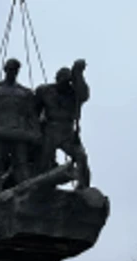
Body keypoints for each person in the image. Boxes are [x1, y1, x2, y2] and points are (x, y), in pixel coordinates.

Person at [0, 58, 40, 196]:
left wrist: (36, 132)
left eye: (15, 70)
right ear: (5, 70)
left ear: (17, 72)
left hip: (19, 133)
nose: (12, 72)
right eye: (9, 69)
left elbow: (31, 115)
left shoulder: (26, 92)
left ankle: (27, 195)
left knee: (21, 164)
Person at [34, 59, 91, 189]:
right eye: (61, 80)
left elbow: (84, 95)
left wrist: (78, 73)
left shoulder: (75, 94)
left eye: (67, 81)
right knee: (44, 162)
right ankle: (40, 187)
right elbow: (34, 110)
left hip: (68, 131)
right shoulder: (45, 91)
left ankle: (83, 186)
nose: (63, 83)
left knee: (81, 157)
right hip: (50, 130)